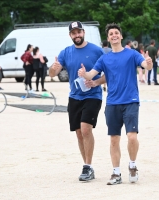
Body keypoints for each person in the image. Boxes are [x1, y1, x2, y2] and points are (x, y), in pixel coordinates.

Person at [78, 23, 153, 185]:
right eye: (111, 33)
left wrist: (149, 62)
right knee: (114, 140)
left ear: (121, 36)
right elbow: (92, 74)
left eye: (116, 33)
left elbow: (146, 66)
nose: (114, 35)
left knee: (132, 137)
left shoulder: (132, 54)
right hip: (112, 103)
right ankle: (116, 173)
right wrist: (84, 74)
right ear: (108, 38)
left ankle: (132, 165)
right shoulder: (104, 58)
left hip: (131, 101)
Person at [49, 21, 103, 181]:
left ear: (83, 32)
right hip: (74, 97)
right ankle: (87, 167)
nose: (77, 35)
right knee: (79, 134)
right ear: (70, 35)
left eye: (79, 32)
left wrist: (95, 81)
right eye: (74, 33)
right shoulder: (66, 52)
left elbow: (109, 72)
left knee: (86, 129)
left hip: (93, 96)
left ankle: (88, 166)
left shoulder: (96, 51)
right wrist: (54, 67)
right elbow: (52, 73)